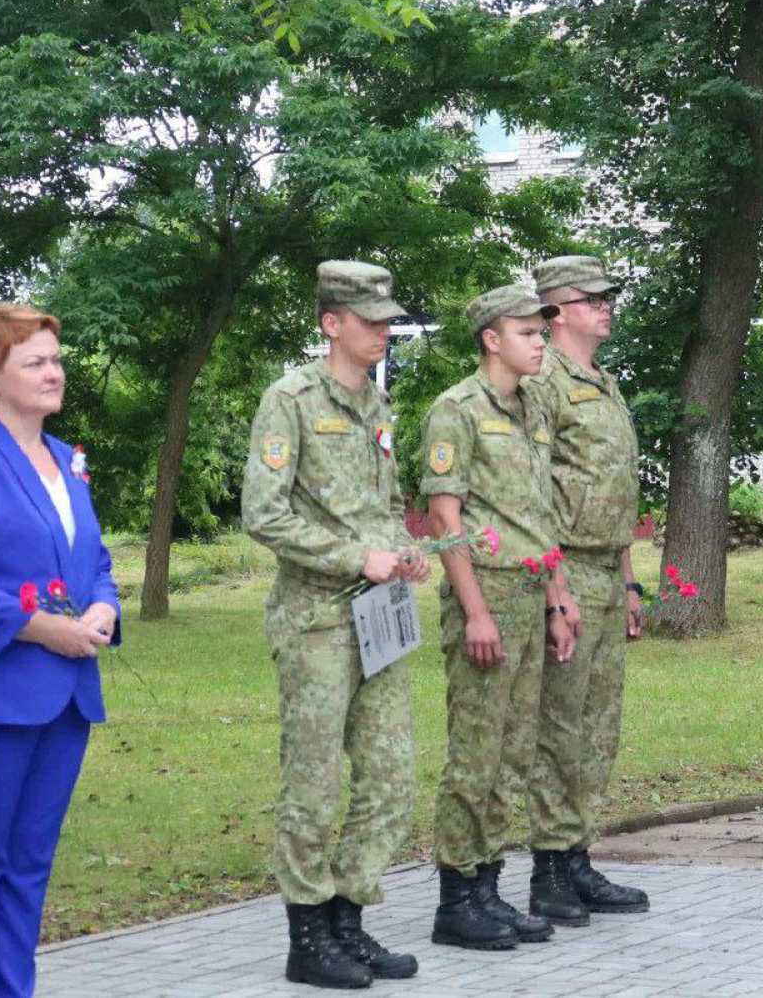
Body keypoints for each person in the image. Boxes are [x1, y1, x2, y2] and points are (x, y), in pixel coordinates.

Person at [242, 260, 431, 990]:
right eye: (371, 320)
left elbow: (382, 508)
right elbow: (265, 513)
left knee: (390, 775)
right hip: (317, 619)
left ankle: (349, 919)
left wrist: (403, 552)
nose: (384, 331)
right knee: (313, 782)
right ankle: (307, 933)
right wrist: (359, 554)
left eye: (388, 320)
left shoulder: (379, 409)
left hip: (378, 617)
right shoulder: (289, 400)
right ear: (332, 323)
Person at [0, 303, 121, 998]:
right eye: (35, 362)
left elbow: (96, 560)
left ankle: (13, 988)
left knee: (32, 863)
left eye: (56, 359)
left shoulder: (68, 460)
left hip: (69, 696)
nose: (54, 373)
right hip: (0, 693)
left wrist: (106, 605)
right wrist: (39, 627)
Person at [420, 282, 574, 949]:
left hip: (530, 589)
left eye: (542, 333)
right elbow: (444, 519)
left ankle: (488, 886)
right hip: (485, 594)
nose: (541, 343)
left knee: (513, 753)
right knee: (476, 753)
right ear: (492, 339)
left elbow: (536, 515)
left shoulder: (532, 406)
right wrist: (476, 613)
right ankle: (457, 897)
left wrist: (558, 596)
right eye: (529, 333)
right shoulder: (455, 410)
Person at [523, 255, 650, 922]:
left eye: (609, 296)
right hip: (566, 566)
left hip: (606, 567)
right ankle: (548, 868)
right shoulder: (541, 381)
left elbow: (615, 488)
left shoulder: (603, 382)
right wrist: (555, 589)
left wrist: (630, 583)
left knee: (599, 723)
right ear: (555, 310)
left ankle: (578, 858)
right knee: (560, 723)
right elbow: (535, 492)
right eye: (592, 297)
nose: (606, 306)